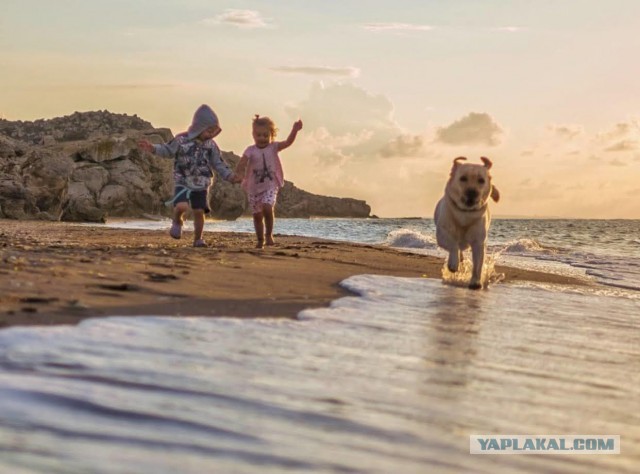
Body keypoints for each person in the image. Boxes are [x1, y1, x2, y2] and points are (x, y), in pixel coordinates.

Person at [138, 104, 241, 247]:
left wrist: (230, 176)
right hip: (183, 181)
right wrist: (153, 148)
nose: (211, 134)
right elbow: (167, 150)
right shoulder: (181, 140)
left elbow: (218, 163)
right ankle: (177, 220)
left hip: (202, 184)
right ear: (199, 127)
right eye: (208, 130)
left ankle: (198, 239)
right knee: (181, 206)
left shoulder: (211, 145)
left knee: (199, 211)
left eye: (214, 131)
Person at [236, 115, 303, 248]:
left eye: (265, 135)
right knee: (257, 216)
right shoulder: (250, 150)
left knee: (267, 207)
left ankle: (268, 235)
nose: (262, 138)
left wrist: (294, 130)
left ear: (271, 135)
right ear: (253, 135)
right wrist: (239, 173)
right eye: (258, 135)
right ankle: (260, 239)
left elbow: (288, 142)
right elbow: (242, 163)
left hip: (270, 186)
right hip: (253, 187)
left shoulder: (273, 147)